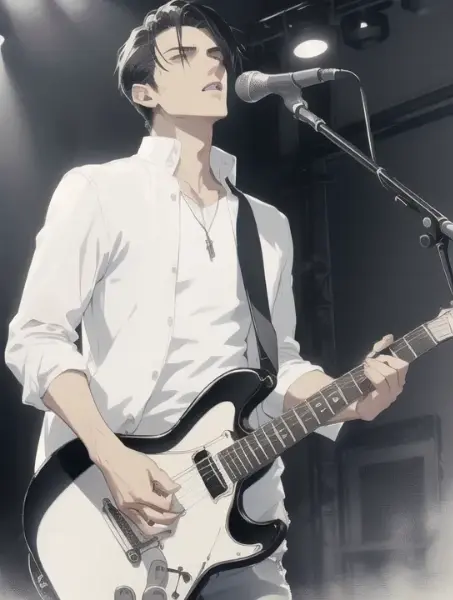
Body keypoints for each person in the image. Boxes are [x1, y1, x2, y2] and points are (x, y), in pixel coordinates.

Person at [4, 1, 409, 598]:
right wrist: (110, 454)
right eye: (185, 55)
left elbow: (278, 365)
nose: (214, 65)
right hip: (110, 504)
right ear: (145, 92)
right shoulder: (98, 192)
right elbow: (36, 337)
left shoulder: (266, 226)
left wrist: (348, 400)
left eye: (217, 54)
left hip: (238, 519)